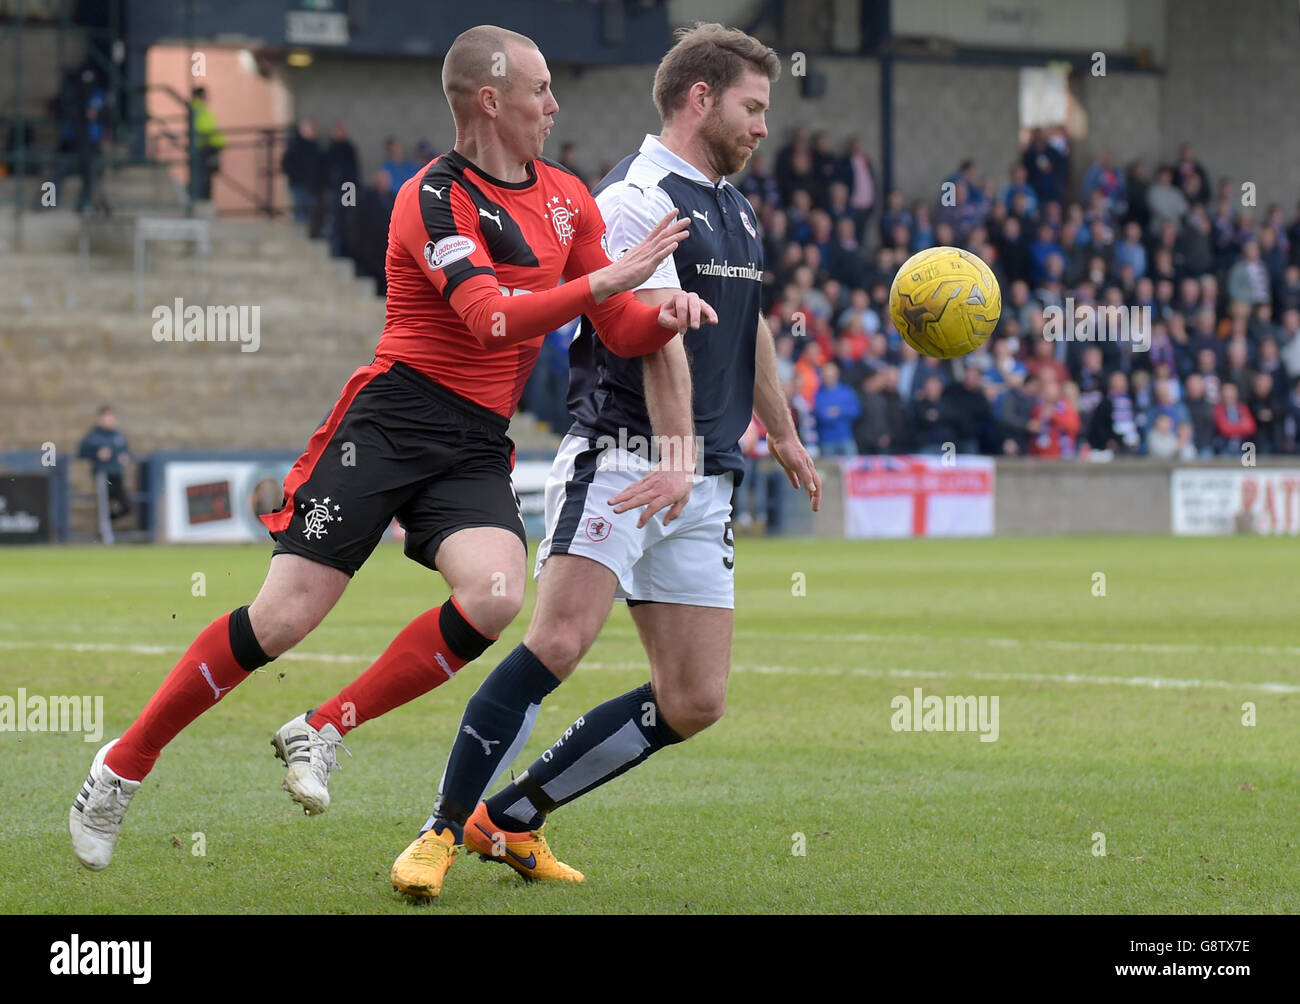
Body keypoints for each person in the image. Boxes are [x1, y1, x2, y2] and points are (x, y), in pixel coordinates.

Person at [68, 23, 714, 872]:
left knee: (492, 595)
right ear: (492, 99)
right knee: (283, 619)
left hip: (478, 439)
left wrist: (658, 311)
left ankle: (322, 727)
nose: (555, 106)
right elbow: (487, 320)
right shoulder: (430, 196)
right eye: (541, 89)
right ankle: (122, 765)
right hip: (391, 421)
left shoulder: (566, 196)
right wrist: (607, 282)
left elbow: (616, 321)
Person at [387, 21, 820, 899]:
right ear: (701, 99)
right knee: (555, 642)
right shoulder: (637, 195)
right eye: (753, 107)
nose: (762, 126)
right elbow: (655, 339)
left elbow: (752, 329)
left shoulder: (733, 207)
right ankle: (436, 831)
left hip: (699, 478)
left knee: (696, 699)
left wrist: (779, 430)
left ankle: (509, 817)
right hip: (626, 462)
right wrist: (671, 453)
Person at [77, 405, 131, 543]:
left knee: (127, 506)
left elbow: (127, 451)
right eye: (106, 418)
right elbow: (81, 452)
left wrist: (125, 457)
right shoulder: (93, 436)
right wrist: (97, 454)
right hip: (103, 475)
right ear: (100, 419)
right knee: (104, 506)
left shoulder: (118, 435)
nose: (109, 421)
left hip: (117, 475)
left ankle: (106, 525)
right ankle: (107, 537)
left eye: (111, 417)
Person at [282, 118, 323, 228]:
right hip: (299, 185)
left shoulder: (316, 147)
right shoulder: (295, 146)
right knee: (302, 213)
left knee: (311, 213)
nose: (313, 132)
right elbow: (286, 165)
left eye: (314, 129)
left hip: (313, 186)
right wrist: (298, 177)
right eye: (311, 129)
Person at [189, 86, 225, 201]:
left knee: (206, 175)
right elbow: (202, 129)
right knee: (203, 175)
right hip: (204, 146)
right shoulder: (197, 109)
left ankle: (204, 198)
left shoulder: (201, 109)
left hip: (209, 146)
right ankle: (202, 198)